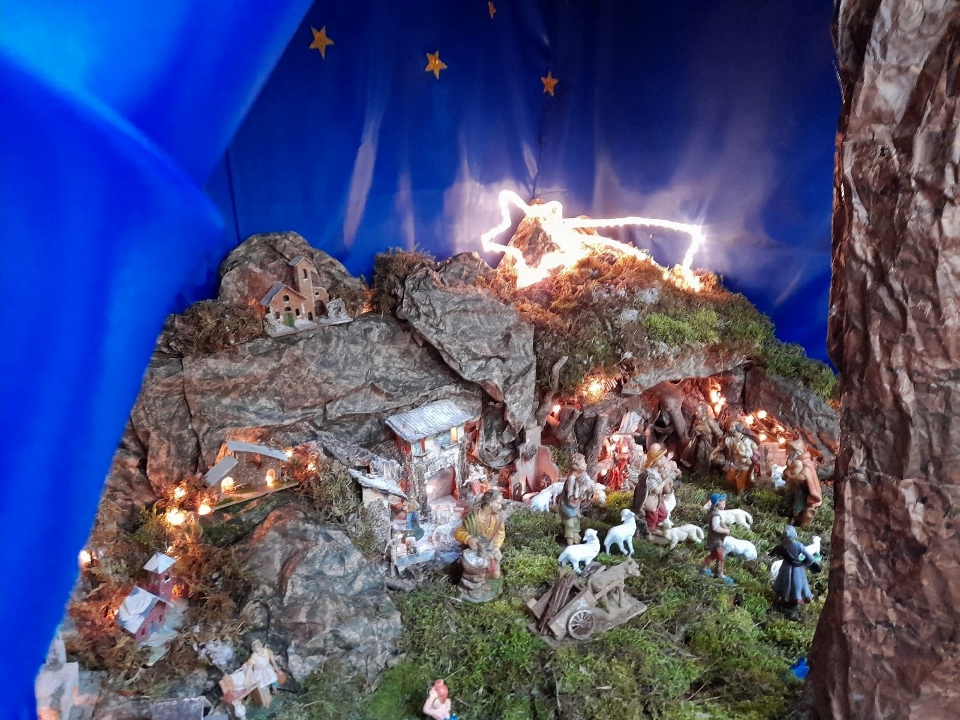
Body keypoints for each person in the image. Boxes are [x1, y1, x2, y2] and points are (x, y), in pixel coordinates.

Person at [454, 489, 506, 578]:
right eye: (498, 503)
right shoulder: (473, 518)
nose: (500, 506)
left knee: (495, 575)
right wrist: (468, 539)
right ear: (490, 502)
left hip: (489, 550)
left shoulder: (498, 518)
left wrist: (497, 547)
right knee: (474, 575)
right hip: (474, 551)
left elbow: (500, 534)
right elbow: (458, 532)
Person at [771, 525, 820, 607]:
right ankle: (794, 600)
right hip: (798, 569)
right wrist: (805, 565)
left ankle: (786, 599)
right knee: (797, 585)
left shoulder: (783, 545)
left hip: (785, 568)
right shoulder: (799, 545)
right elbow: (811, 558)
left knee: (784, 583)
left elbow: (776, 552)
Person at [782, 439, 822, 527]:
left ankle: (796, 519)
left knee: (799, 504)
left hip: (804, 491)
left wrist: (790, 475)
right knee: (792, 500)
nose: (789, 454)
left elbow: (803, 477)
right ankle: (790, 513)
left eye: (791, 451)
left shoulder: (805, 464)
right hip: (797, 488)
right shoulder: (796, 462)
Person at [632, 445, 671, 534]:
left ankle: (653, 527)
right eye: (660, 459)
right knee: (652, 517)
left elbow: (666, 490)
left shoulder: (657, 473)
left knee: (663, 514)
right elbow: (655, 490)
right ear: (655, 462)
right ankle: (649, 531)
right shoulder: (649, 475)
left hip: (657, 499)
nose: (663, 461)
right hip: (650, 500)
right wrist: (665, 482)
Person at [556, 453, 593, 545]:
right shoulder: (571, 479)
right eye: (583, 462)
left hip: (574, 508)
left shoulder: (580, 476)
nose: (586, 464)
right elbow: (571, 498)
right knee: (570, 525)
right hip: (567, 508)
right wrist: (582, 492)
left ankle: (576, 542)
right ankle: (570, 545)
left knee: (576, 523)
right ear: (576, 465)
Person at [712, 424, 758, 493]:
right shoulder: (729, 439)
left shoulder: (746, 440)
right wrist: (712, 453)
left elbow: (750, 453)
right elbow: (720, 446)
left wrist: (741, 453)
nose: (730, 428)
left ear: (737, 429)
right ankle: (735, 487)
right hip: (734, 462)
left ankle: (741, 492)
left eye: (732, 427)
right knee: (730, 477)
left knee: (742, 479)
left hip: (744, 463)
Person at [702, 493, 734, 584]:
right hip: (716, 541)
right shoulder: (715, 515)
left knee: (713, 555)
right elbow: (715, 527)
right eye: (723, 502)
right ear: (718, 503)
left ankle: (704, 568)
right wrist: (725, 531)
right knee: (720, 557)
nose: (725, 504)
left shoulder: (715, 513)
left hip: (714, 540)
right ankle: (720, 574)